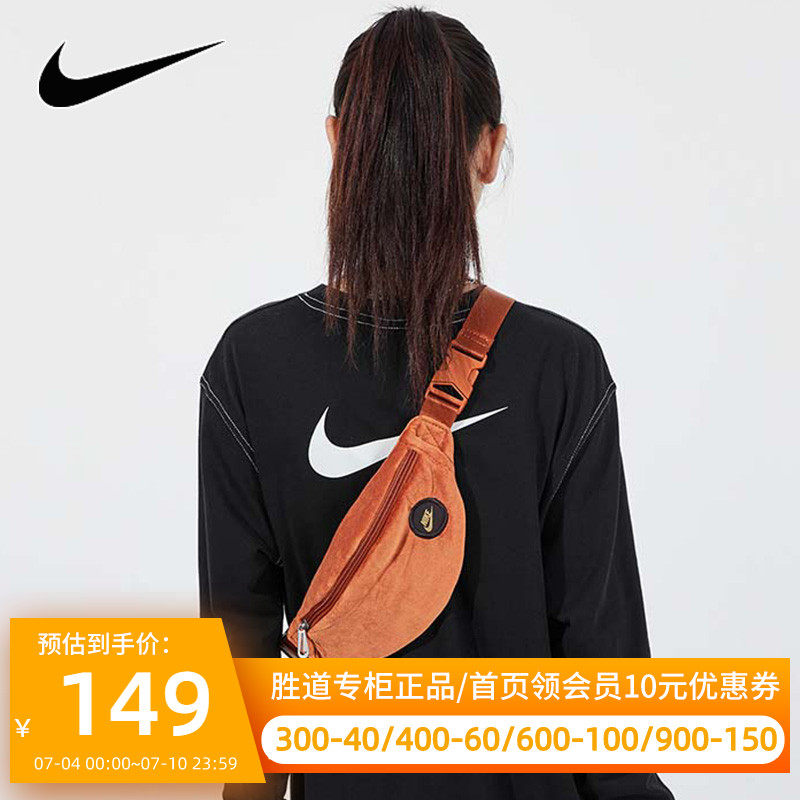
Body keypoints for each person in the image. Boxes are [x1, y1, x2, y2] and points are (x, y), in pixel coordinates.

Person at [199, 7, 674, 800]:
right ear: (488, 150)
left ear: (336, 142)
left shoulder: (250, 363)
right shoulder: (560, 364)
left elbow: (241, 693)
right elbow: (606, 679)